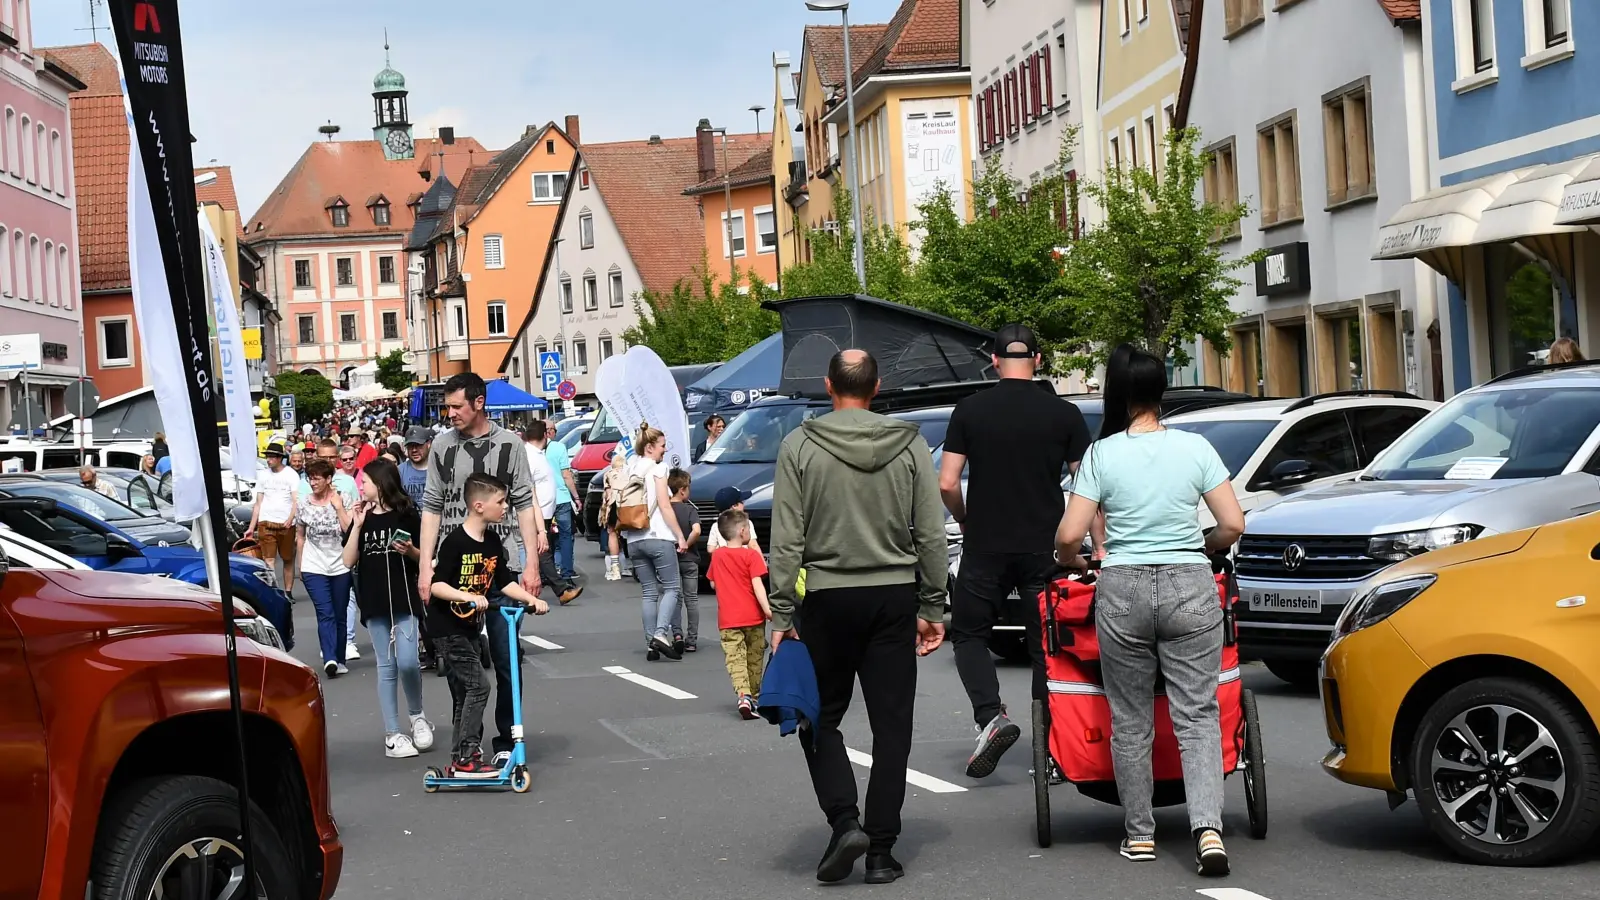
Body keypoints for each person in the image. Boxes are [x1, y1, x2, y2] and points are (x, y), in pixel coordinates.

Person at [1054, 344, 1246, 877]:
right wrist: (1203, 547)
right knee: (1197, 714)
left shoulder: (1103, 455)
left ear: (1115, 392)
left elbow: (1070, 533)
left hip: (1123, 589)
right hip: (1189, 584)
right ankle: (1208, 829)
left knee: (1131, 716)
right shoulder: (1195, 448)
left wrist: (1078, 557)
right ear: (1161, 391)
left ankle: (1140, 834)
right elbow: (1233, 524)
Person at [768, 349, 948, 885]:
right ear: (877, 386)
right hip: (893, 596)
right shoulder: (910, 443)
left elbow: (786, 539)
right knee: (892, 725)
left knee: (817, 715)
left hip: (826, 597)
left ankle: (846, 819)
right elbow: (931, 534)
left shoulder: (799, 445)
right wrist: (932, 605)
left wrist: (780, 612)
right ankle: (882, 851)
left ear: (829, 386)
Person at [939, 323, 1093, 778]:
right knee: (1046, 645)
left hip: (985, 542)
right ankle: (1051, 751)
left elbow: (947, 482)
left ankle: (990, 717)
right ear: (1039, 361)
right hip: (1045, 545)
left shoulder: (970, 410)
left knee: (968, 634)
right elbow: (1087, 483)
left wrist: (964, 517)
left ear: (994, 360)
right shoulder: (1063, 414)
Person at [419, 372, 545, 769]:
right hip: (455, 570)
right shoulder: (441, 445)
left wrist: (531, 563)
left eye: (456, 406)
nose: (450, 413)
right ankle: (466, 742)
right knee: (463, 665)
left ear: (478, 403)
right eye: (447, 406)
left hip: (501, 566)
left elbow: (524, 503)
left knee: (507, 658)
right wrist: (425, 565)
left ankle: (507, 737)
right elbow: (431, 507)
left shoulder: (509, 445)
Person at [428, 473, 549, 777]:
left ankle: (459, 758)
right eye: (501, 501)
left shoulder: (493, 541)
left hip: (470, 628)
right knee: (478, 686)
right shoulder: (455, 542)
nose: (506, 506)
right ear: (479, 506)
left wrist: (530, 600)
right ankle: (468, 755)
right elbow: (437, 586)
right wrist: (468, 596)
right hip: (447, 627)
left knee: (466, 693)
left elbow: (504, 582)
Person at [342, 457, 434, 758]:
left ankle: (417, 716)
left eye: (365, 481)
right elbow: (347, 560)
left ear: (380, 484)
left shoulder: (407, 514)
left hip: (404, 597)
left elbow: (424, 556)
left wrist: (410, 551)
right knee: (386, 665)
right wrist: (356, 526)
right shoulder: (363, 517)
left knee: (408, 661)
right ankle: (393, 733)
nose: (361, 486)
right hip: (374, 599)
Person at [622, 424, 691, 661]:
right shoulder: (659, 469)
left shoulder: (630, 466)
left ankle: (650, 642)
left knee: (649, 592)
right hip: (658, 536)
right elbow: (664, 505)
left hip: (633, 537)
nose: (664, 450)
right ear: (650, 447)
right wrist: (680, 536)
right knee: (672, 587)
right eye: (662, 446)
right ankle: (661, 634)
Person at [707, 507, 769, 718]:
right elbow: (758, 585)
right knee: (755, 656)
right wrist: (769, 610)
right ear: (743, 531)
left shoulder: (717, 556)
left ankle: (743, 695)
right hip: (753, 616)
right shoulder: (752, 556)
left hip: (728, 618)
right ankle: (755, 695)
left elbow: (714, 584)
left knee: (736, 658)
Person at [298, 458, 353, 677]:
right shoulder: (304, 503)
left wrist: (339, 507)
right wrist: (300, 565)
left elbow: (349, 530)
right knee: (325, 612)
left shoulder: (343, 498)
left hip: (341, 564)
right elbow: (300, 536)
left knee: (339, 614)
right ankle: (329, 658)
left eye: (317, 478)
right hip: (314, 565)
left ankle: (339, 658)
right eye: (310, 478)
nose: (313, 483)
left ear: (329, 479)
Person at [523, 421, 582, 605]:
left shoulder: (538, 454)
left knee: (542, 553)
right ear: (545, 436)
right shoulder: (529, 456)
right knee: (541, 551)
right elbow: (529, 489)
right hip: (536, 514)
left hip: (545, 513)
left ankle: (557, 589)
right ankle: (559, 589)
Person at [246, 442, 301, 591]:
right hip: (266, 521)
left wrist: (290, 519)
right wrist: (252, 527)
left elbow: (296, 500)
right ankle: (275, 590)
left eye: (271, 457)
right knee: (268, 559)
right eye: (267, 457)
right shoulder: (263, 475)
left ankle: (288, 591)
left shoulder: (291, 474)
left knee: (288, 559)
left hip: (285, 523)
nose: (268, 460)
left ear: (279, 458)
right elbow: (258, 503)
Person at [541, 419, 580, 580]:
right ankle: (566, 572)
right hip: (561, 497)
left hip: (542, 499)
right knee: (565, 536)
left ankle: (545, 574)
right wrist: (576, 497)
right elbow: (566, 475)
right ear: (550, 431)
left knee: (544, 536)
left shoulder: (532, 449)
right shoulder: (559, 448)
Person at [667, 468, 701, 652]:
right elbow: (696, 530)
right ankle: (692, 640)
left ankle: (677, 634)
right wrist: (686, 544)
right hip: (689, 559)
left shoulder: (665, 509)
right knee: (692, 599)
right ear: (682, 489)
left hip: (670, 559)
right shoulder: (689, 509)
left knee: (674, 597)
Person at [598, 452, 628, 581]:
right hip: (630, 505)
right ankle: (632, 566)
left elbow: (607, 495)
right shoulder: (630, 473)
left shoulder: (609, 474)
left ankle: (615, 568)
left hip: (615, 504)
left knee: (612, 533)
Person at [706, 486, 760, 553]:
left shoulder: (716, 525)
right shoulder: (745, 522)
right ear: (734, 506)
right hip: (744, 561)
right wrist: (762, 562)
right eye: (741, 502)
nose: (743, 504)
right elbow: (753, 545)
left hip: (724, 562)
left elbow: (710, 550)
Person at [400, 426, 432, 507]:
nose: (414, 450)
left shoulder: (439, 469)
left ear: (428, 444)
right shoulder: (399, 471)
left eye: (418, 445)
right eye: (410, 446)